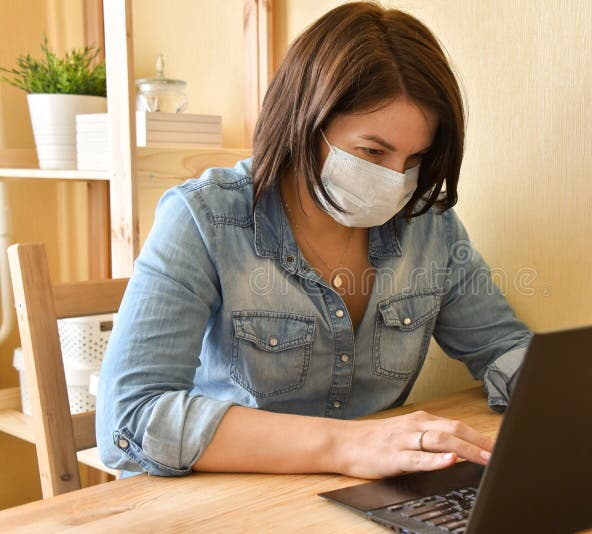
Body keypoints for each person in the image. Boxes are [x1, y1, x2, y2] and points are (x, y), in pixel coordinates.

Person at [97, 1, 532, 480]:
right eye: (372, 152)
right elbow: (129, 418)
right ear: (305, 123)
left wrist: (587, 394)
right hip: (221, 498)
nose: (396, 181)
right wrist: (347, 446)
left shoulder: (430, 228)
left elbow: (501, 348)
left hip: (354, 498)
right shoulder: (204, 218)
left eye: (415, 161)